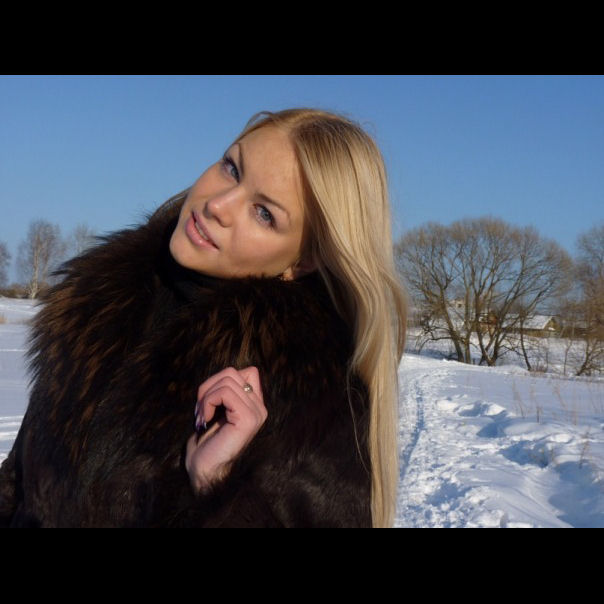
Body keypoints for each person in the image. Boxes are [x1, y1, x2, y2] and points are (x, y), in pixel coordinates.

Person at [0, 108, 407, 528]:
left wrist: (217, 489)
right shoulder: (93, 306)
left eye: (264, 213)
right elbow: (17, 486)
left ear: (302, 262)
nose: (217, 205)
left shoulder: (314, 404)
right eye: (232, 168)